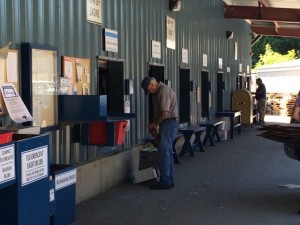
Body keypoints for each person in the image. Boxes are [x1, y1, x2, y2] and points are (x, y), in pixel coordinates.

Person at [141, 76, 179, 190]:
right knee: (166, 153)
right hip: (167, 124)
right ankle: (168, 179)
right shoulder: (158, 92)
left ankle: (165, 181)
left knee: (163, 153)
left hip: (169, 123)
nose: (149, 92)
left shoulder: (163, 91)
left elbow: (164, 113)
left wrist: (155, 124)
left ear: (152, 84)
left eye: (148, 89)